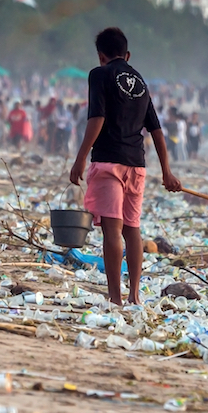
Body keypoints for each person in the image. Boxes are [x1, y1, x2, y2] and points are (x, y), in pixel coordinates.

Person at [68, 27, 181, 306]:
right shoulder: (140, 82)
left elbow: (97, 118)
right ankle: (134, 295)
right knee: (132, 229)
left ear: (101, 56)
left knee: (112, 230)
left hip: (109, 162)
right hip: (136, 165)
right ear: (127, 55)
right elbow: (156, 130)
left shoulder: (99, 74)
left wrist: (81, 157)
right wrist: (167, 171)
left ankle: (115, 297)